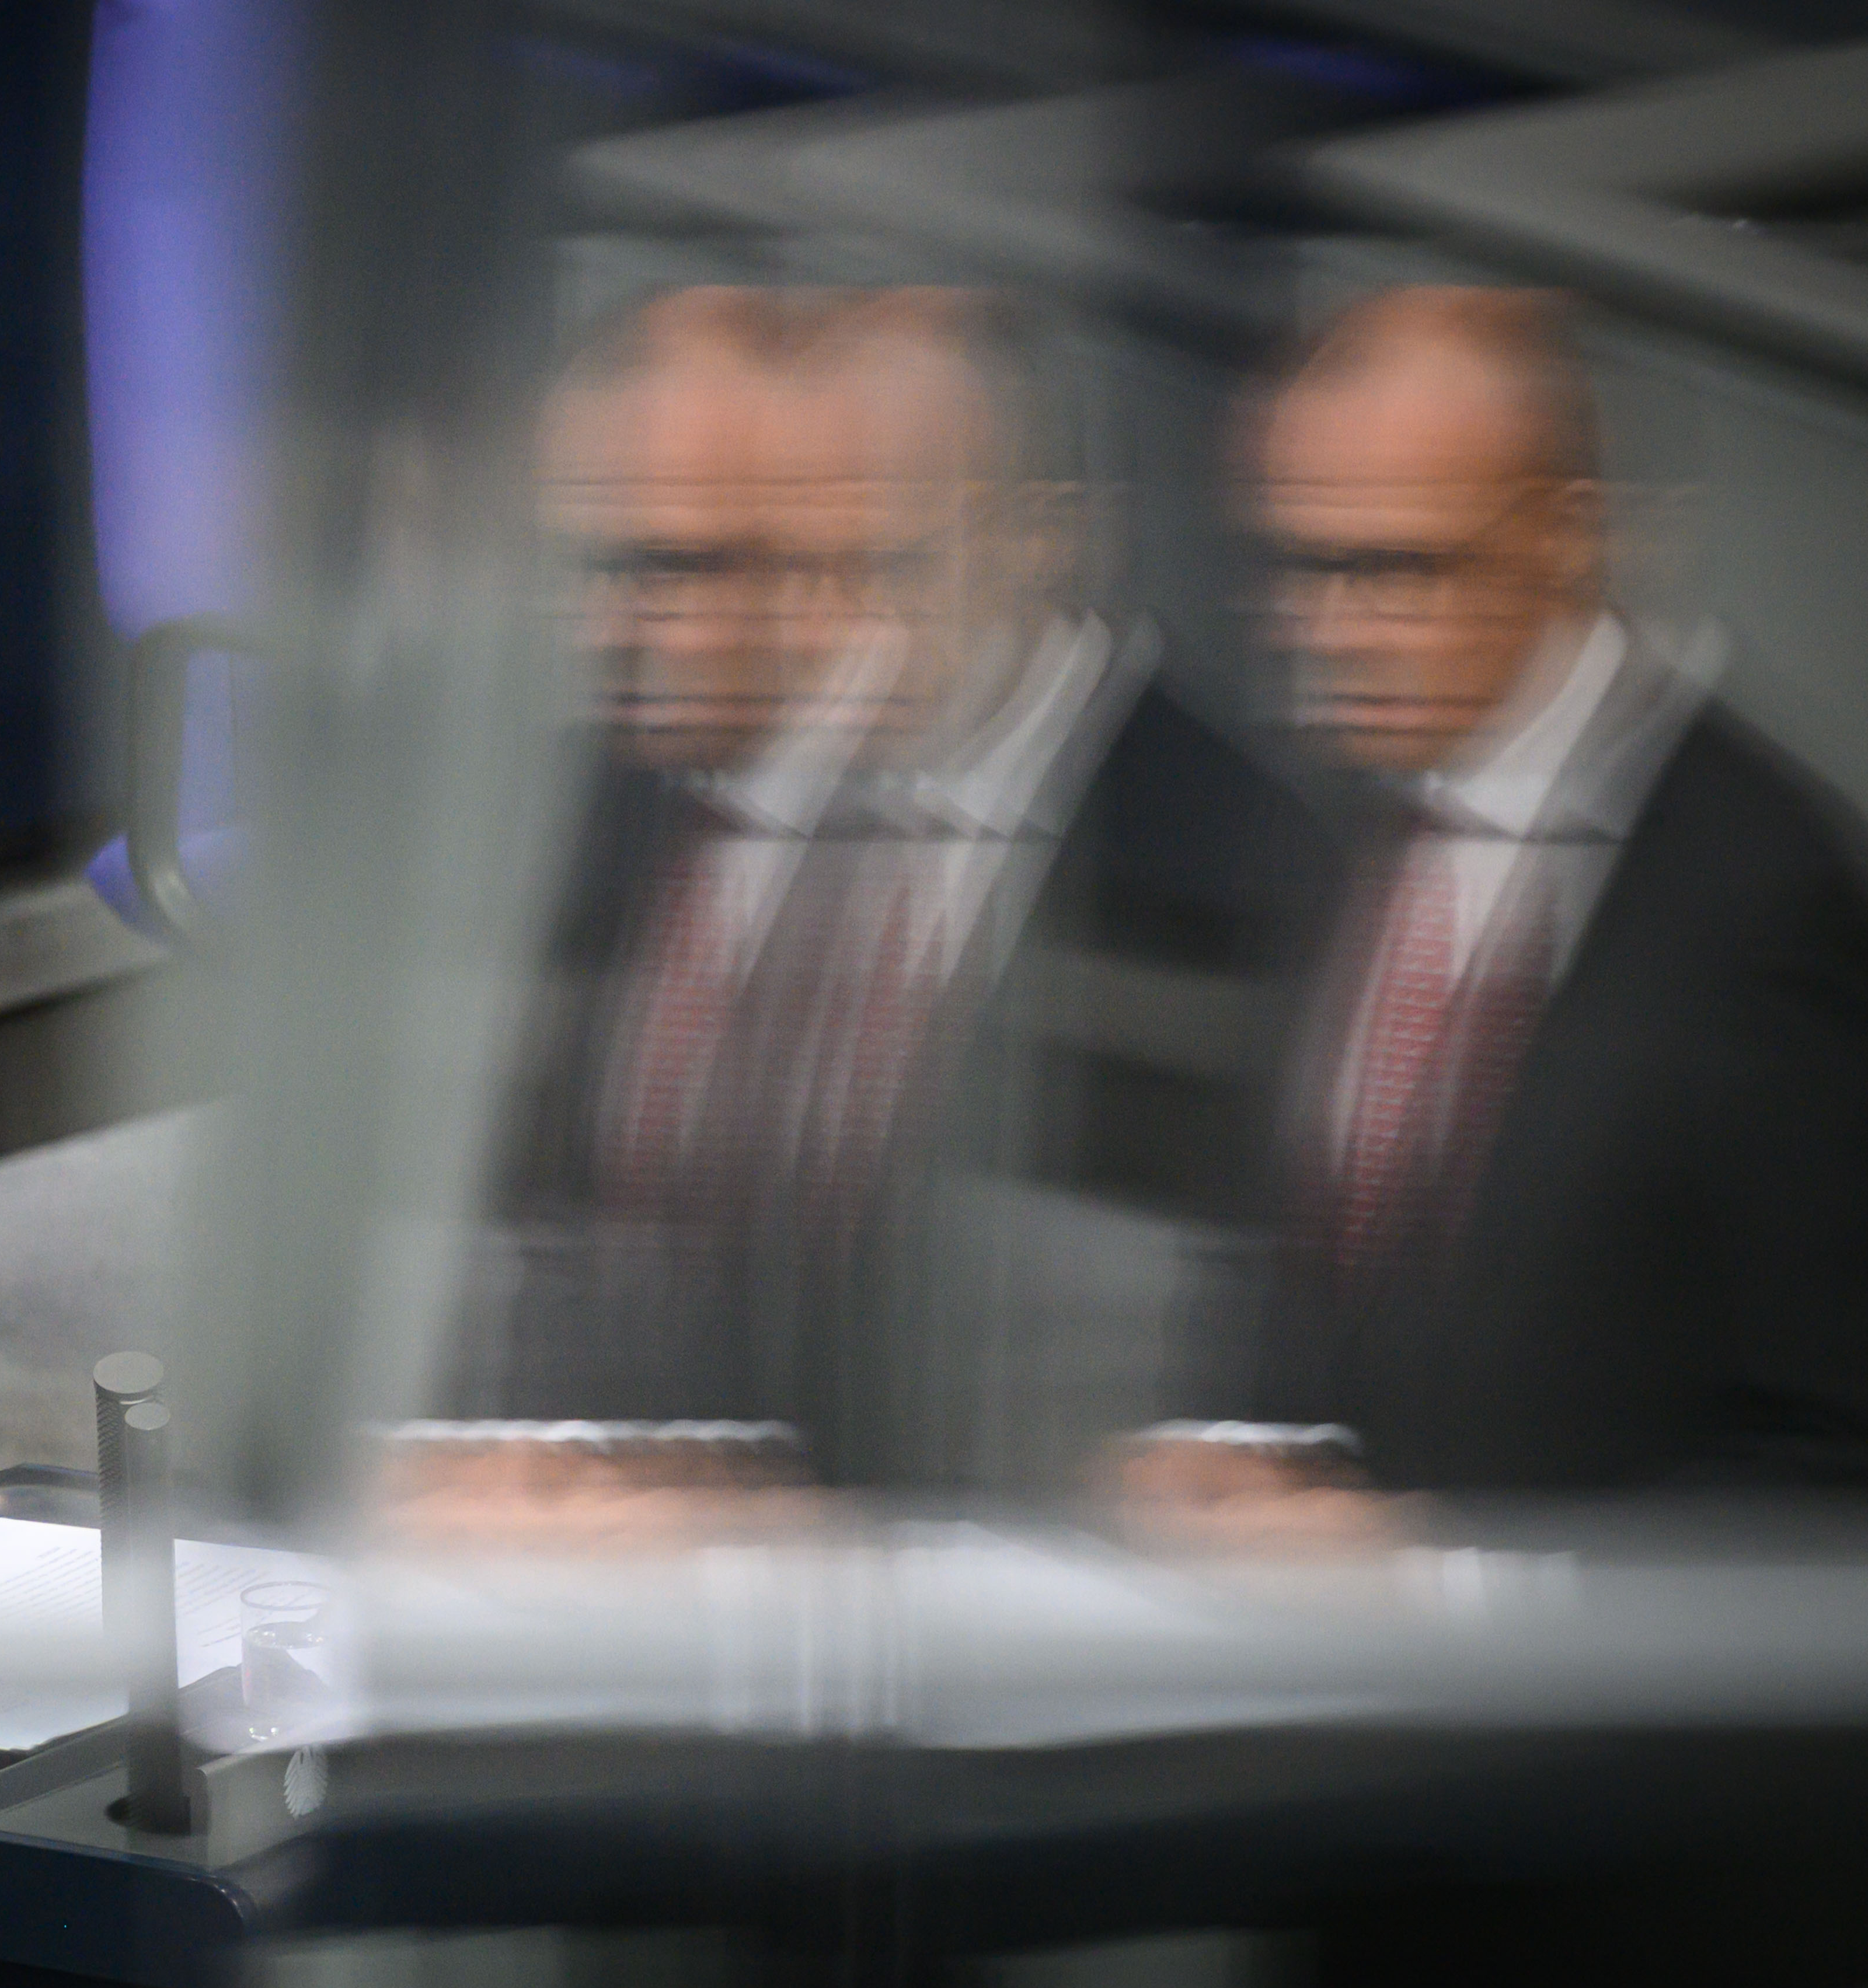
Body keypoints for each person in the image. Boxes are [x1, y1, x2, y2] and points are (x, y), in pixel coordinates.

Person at [435, 286, 1326, 1499]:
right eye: (792, 569)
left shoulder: (1262, 885)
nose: (824, 632)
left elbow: (1214, 1387)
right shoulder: (662, 807)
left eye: (883, 568)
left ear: (1044, 535)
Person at [1134, 284, 1868, 1540]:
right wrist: (1223, 1450)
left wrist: (1458, 1573)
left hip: (1608, 1722)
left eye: (1396, 571)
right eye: (1299, 568)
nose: (1330, 633)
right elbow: (1313, 1279)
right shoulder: (1343, 838)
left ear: (1568, 536)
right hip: (1324, 1705)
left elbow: (1832, 1460)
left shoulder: (1766, 892)